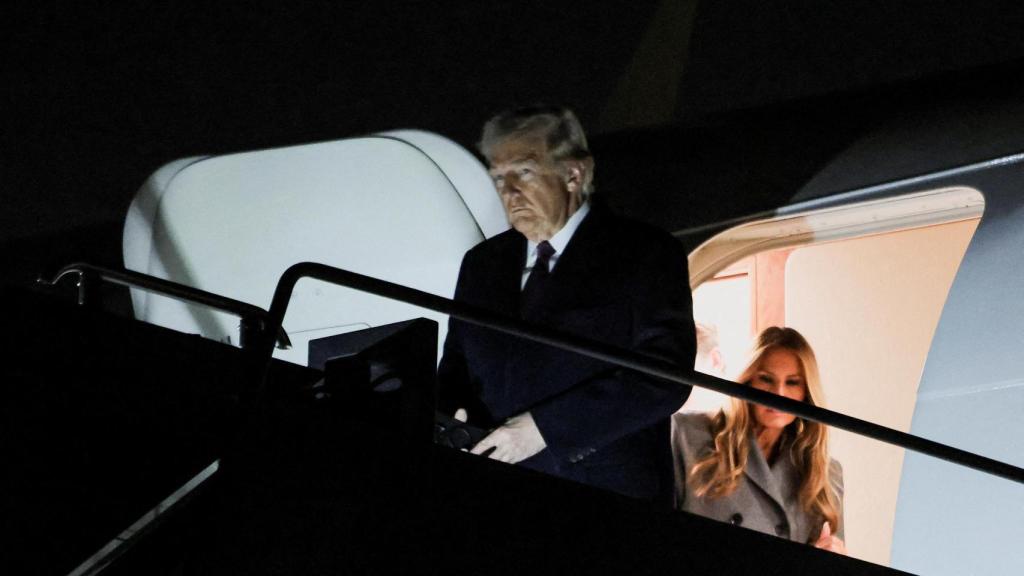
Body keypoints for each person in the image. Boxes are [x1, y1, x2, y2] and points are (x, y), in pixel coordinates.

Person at [437, 105, 696, 502]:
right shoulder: (482, 264)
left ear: (574, 174)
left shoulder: (644, 253)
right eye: (499, 177)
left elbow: (665, 377)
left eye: (524, 171)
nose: (509, 191)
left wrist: (543, 430)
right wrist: (451, 418)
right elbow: (456, 364)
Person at [671, 327, 847, 553]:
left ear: (807, 391)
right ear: (747, 380)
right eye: (766, 379)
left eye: (792, 382)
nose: (779, 393)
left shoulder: (825, 473)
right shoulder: (688, 435)